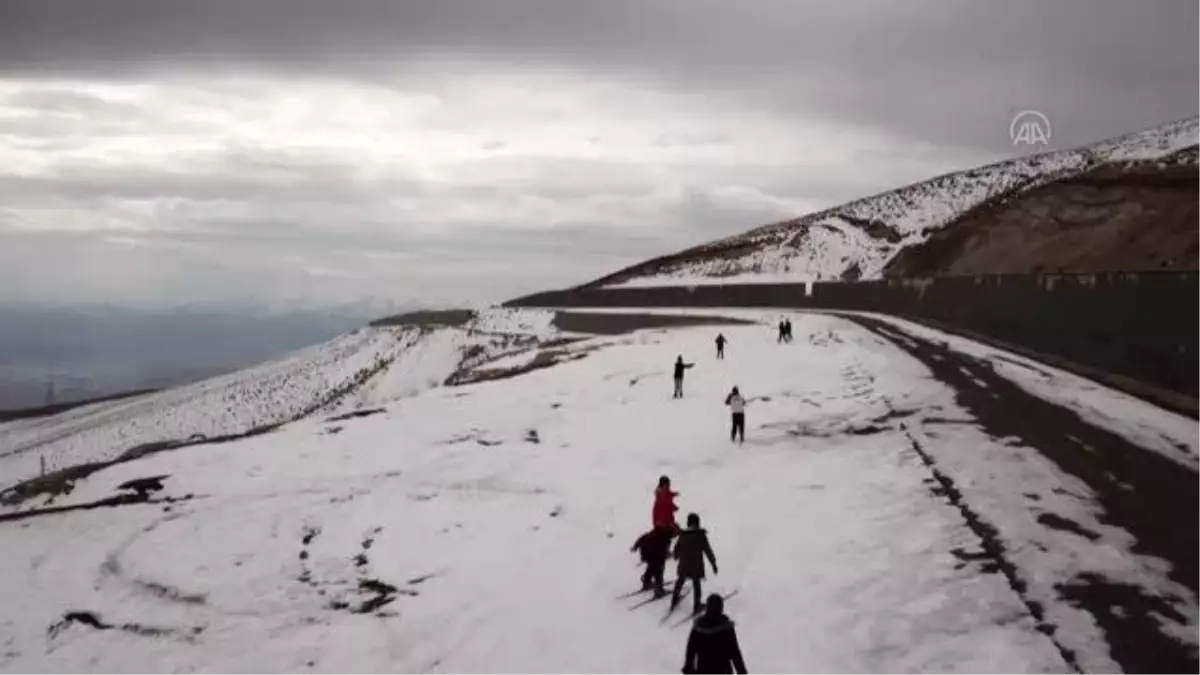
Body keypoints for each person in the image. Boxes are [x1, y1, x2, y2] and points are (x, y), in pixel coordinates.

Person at [682, 594, 748, 675]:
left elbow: (691, 650)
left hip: (703, 670)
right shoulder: (726, 627)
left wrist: (688, 668)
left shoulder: (699, 626)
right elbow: (734, 651)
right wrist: (741, 671)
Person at [671, 513, 718, 615]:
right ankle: (697, 605)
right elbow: (708, 551)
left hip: (684, 564)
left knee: (680, 580)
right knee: (696, 584)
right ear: (697, 523)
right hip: (696, 565)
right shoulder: (701, 535)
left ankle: (674, 600)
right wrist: (713, 563)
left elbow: (677, 548)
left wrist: (675, 555)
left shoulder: (683, 535)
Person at [631, 525, 674, 597]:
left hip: (646, 553)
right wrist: (666, 556)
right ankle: (658, 590)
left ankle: (646, 582)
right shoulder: (665, 537)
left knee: (651, 567)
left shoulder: (656, 532)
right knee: (659, 570)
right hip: (654, 554)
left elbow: (642, 538)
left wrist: (635, 547)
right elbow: (663, 551)